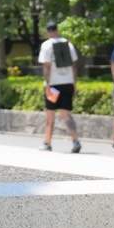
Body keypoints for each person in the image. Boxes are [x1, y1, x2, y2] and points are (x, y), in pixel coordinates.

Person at [37, 21, 81, 153]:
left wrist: (47, 84)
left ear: (48, 32)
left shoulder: (46, 45)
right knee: (66, 114)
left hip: (53, 86)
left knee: (50, 115)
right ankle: (75, 141)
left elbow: (46, 66)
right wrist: (74, 83)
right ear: (57, 30)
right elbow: (74, 66)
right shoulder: (68, 44)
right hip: (68, 84)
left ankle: (47, 143)